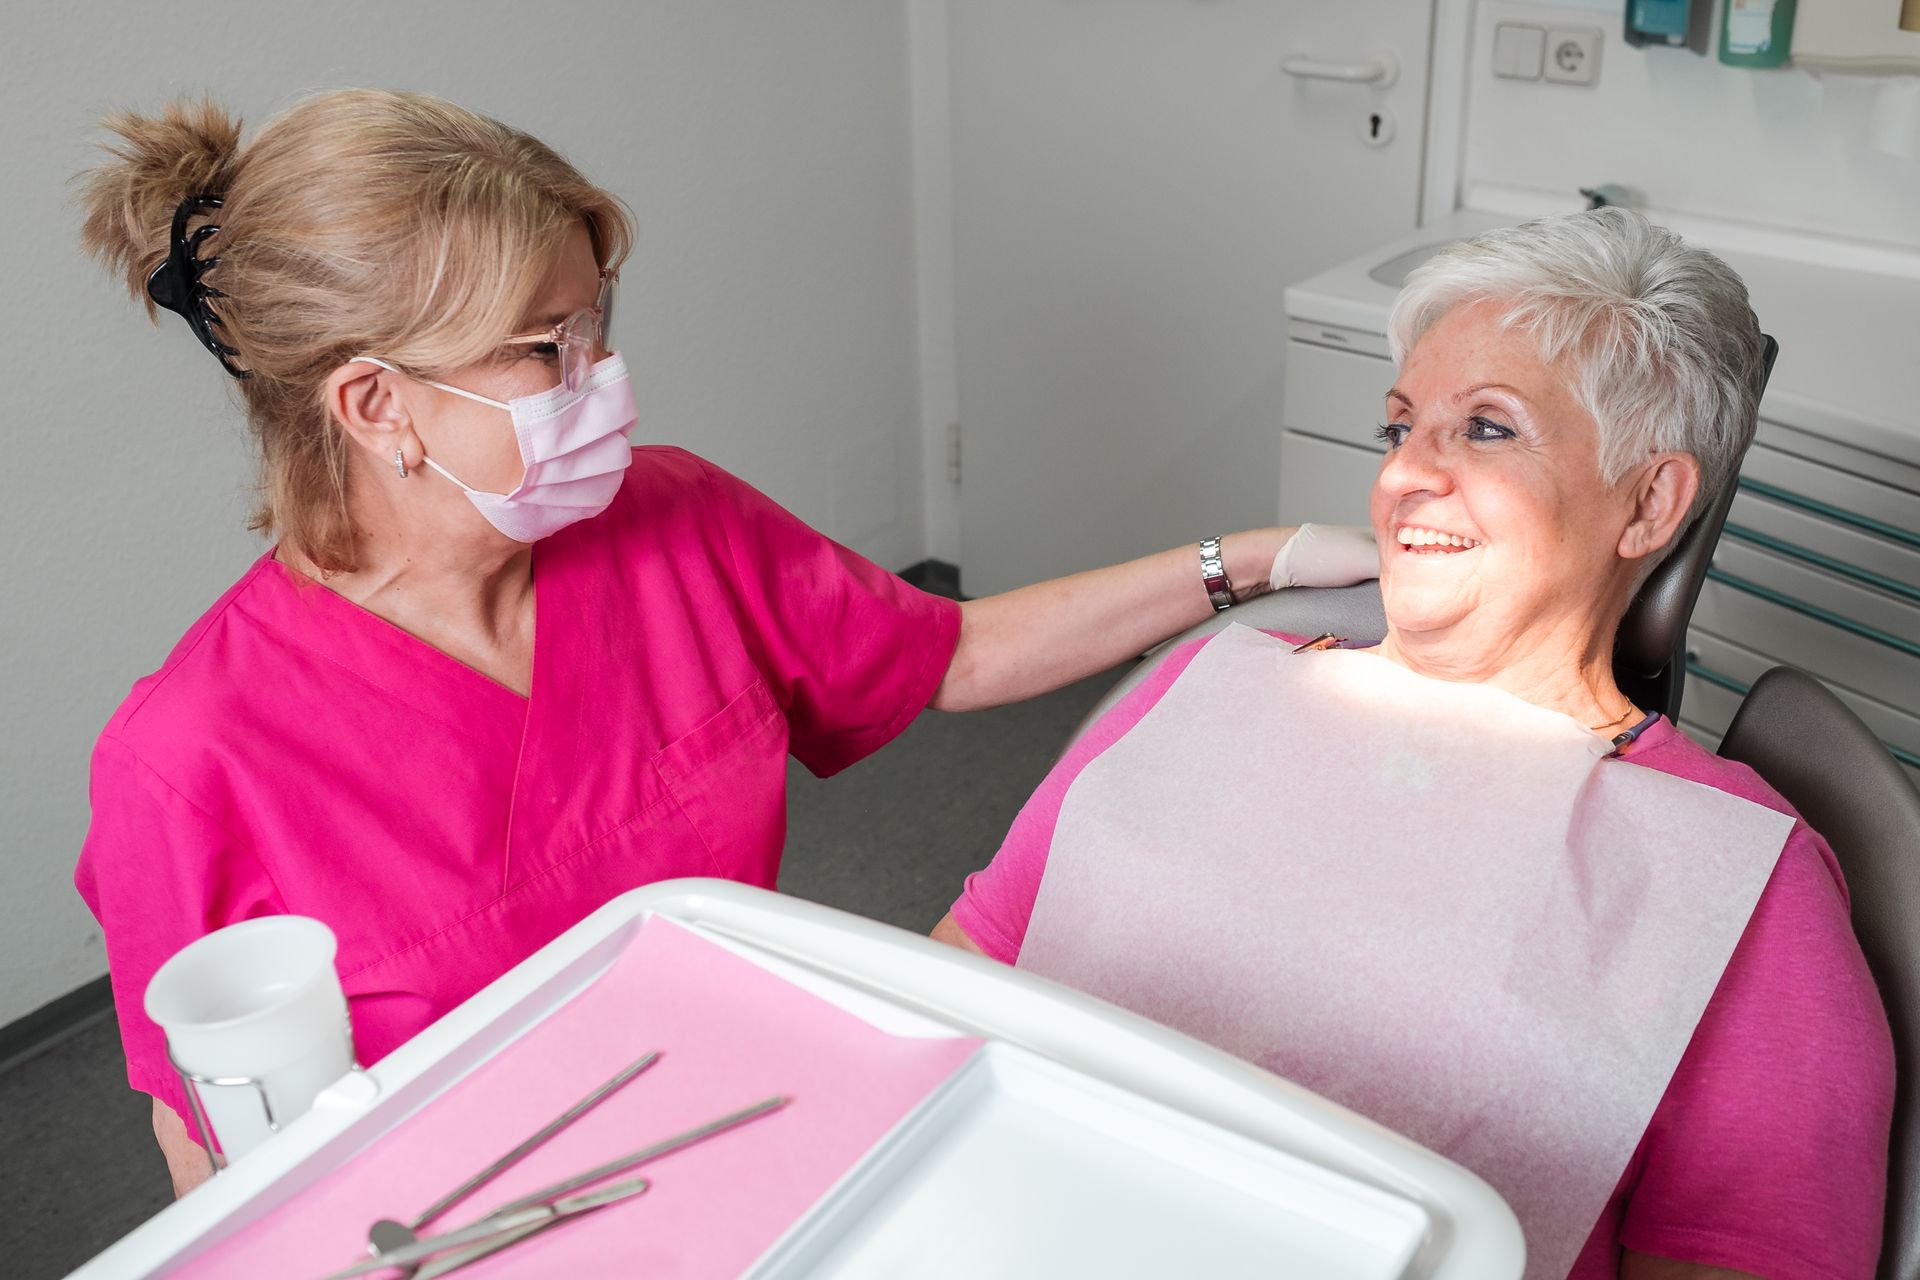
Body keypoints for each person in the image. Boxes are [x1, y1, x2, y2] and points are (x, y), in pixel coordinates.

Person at [73, 90, 1375, 1196]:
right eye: (547, 348)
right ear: (375, 404)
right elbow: (208, 1148)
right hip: (471, 1223)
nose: (604, 376)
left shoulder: (674, 524)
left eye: (597, 322)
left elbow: (956, 652)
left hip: (745, 1124)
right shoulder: (189, 762)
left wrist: (1248, 562)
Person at [935, 210, 1895, 1280]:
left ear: (1649, 501)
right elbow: (952, 977)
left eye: (1486, 428)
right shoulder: (1207, 685)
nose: (1401, 478)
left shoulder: (1737, 883)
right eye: (1399, 430)